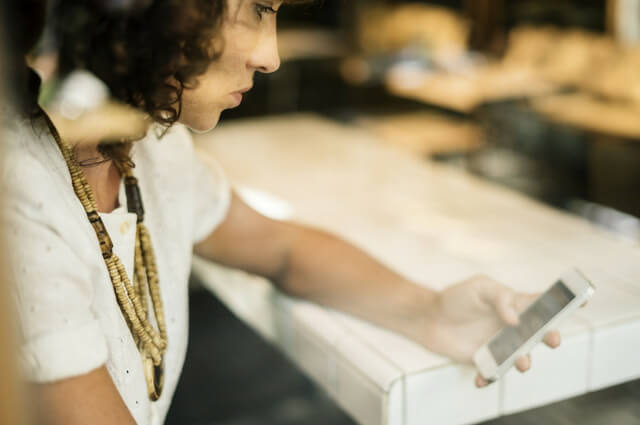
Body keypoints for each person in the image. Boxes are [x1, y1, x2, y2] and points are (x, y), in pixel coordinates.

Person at [5, 1, 561, 424]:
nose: (270, 56)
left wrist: (432, 312)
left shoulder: (153, 145)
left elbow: (282, 248)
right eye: (256, 10)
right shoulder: (20, 195)